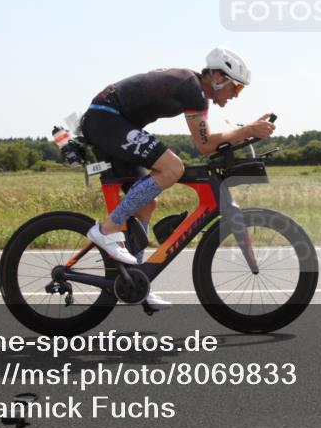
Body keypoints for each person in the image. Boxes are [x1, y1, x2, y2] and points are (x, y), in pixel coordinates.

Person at [79, 47, 276, 309]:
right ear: (218, 77)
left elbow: (208, 141)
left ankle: (137, 280)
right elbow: (205, 145)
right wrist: (248, 130)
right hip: (106, 118)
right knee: (173, 168)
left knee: (146, 204)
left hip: (114, 122)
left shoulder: (194, 89)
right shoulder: (192, 89)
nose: (235, 95)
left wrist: (246, 131)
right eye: (236, 88)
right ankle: (107, 229)